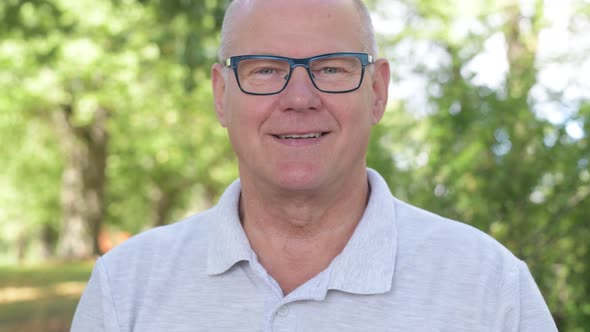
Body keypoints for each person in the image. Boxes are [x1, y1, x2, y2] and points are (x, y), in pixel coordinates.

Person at [71, 0, 558, 331]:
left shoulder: (489, 286)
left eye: (331, 68)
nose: (299, 98)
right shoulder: (126, 289)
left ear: (378, 92)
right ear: (222, 96)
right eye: (265, 69)